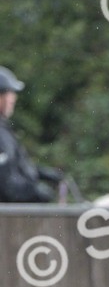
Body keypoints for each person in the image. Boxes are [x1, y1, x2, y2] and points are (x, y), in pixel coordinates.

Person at [0, 66, 62, 202]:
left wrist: (40, 173)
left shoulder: (4, 129)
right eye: (9, 93)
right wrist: (34, 191)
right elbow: (4, 185)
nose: (13, 99)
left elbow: (15, 166)